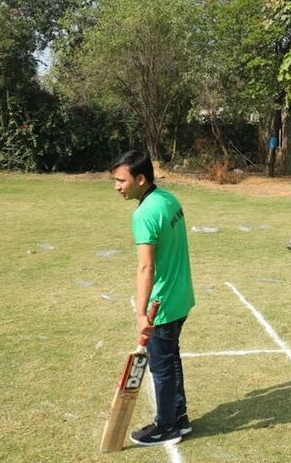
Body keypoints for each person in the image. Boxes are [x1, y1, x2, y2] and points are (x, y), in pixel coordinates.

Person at [110, 150, 196, 447]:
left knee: (161, 365)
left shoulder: (144, 214)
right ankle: (179, 417)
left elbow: (146, 267)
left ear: (141, 179)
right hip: (181, 297)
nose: (117, 186)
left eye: (121, 180)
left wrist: (141, 314)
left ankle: (167, 425)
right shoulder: (169, 199)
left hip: (163, 303)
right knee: (171, 359)